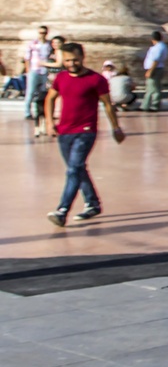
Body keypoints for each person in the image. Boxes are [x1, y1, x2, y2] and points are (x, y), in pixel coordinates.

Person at [43, 41, 125, 227]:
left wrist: (116, 128)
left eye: (75, 60)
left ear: (83, 58)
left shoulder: (96, 79)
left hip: (85, 131)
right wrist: (49, 122)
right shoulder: (61, 78)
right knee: (77, 169)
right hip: (64, 131)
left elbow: (108, 105)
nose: (71, 64)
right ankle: (92, 203)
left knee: (73, 169)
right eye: (67, 60)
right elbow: (50, 98)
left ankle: (62, 210)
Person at [22, 25, 51, 131]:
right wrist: (28, 70)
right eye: (40, 32)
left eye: (44, 32)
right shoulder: (32, 43)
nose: (42, 34)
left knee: (43, 93)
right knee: (30, 92)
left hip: (45, 71)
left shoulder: (49, 44)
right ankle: (27, 113)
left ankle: (41, 112)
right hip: (34, 70)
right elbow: (27, 57)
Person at [143, 30, 168, 111]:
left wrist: (150, 70)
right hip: (155, 68)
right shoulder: (161, 46)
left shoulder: (158, 47)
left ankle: (153, 105)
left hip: (155, 69)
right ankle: (147, 105)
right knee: (152, 88)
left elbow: (155, 60)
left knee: (153, 88)